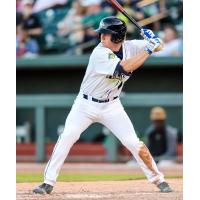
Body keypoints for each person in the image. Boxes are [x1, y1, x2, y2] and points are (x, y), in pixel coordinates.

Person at [33, 16, 172, 194]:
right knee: (68, 136)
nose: (101, 37)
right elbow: (125, 67)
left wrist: (154, 38)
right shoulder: (99, 53)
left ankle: (158, 179)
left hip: (112, 106)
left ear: (116, 37)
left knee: (133, 142)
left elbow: (160, 46)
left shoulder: (130, 47)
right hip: (85, 105)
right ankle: (48, 182)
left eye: (105, 34)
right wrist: (149, 49)